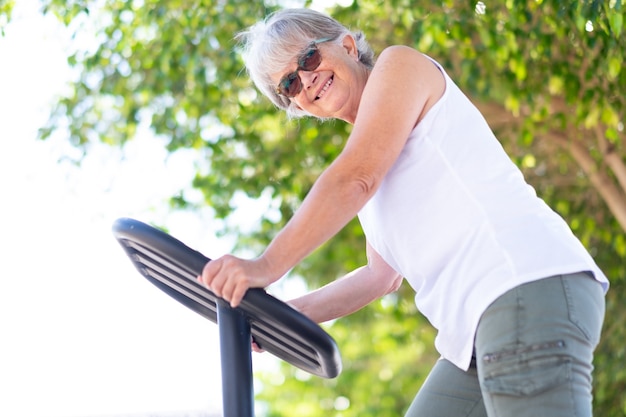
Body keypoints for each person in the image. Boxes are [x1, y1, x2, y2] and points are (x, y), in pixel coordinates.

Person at [198, 8, 609, 417]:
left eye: (308, 59)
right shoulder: (371, 174)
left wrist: (266, 265)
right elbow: (380, 277)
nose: (305, 79)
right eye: (289, 83)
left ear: (346, 45)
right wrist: (280, 318)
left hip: (520, 284)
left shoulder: (399, 67)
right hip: (471, 335)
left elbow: (356, 177)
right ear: (298, 106)